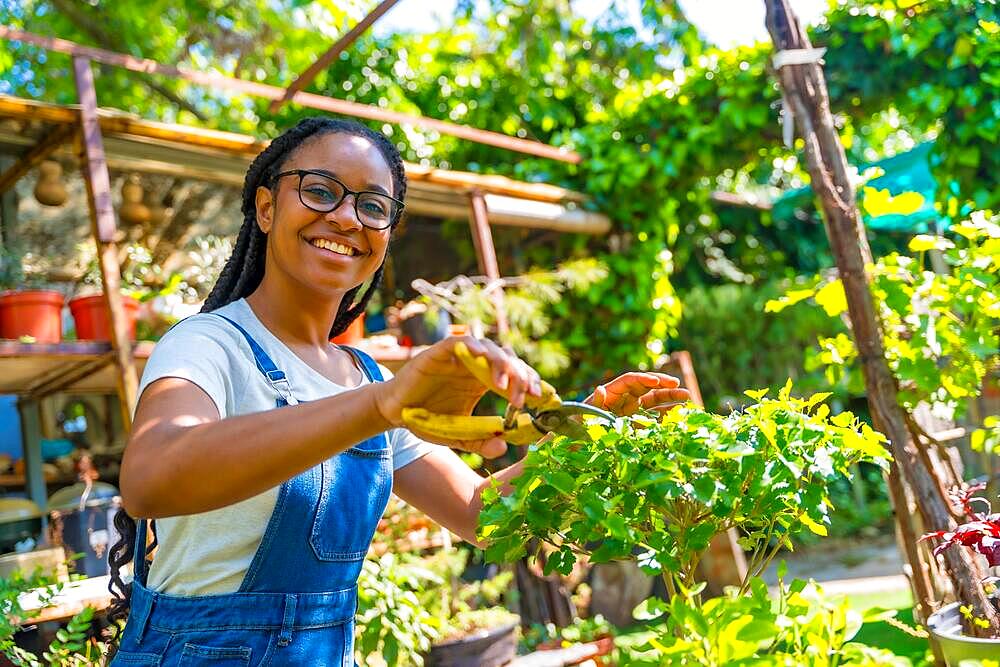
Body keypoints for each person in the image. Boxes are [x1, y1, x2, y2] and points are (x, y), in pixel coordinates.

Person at [107, 117, 689, 666]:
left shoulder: (367, 376)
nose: (346, 218)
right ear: (265, 206)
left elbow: (483, 515)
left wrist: (585, 432)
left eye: (372, 206)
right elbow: (150, 479)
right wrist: (378, 408)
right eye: (320, 190)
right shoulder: (208, 344)